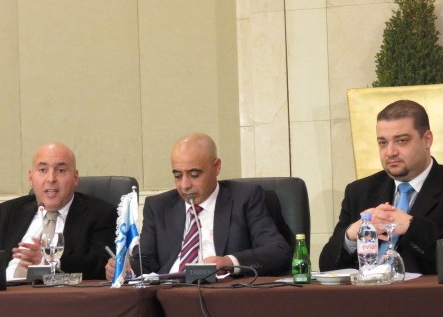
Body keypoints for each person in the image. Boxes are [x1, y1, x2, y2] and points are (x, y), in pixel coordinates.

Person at [105, 132, 292, 280]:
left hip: (222, 294)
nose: (185, 185)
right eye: (178, 176)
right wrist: (127, 268)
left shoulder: (244, 198)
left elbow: (278, 251)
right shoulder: (159, 206)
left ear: (216, 167)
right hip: (167, 295)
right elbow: (145, 261)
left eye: (194, 175)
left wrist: (229, 262)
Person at [319, 99, 443, 274]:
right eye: (383, 143)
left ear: (427, 140)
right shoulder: (359, 191)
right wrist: (351, 235)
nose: (390, 152)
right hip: (368, 290)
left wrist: (411, 226)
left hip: (423, 291)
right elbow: (327, 267)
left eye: (401, 141)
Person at [0, 142, 117, 280]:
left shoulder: (101, 214)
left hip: (62, 293)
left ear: (75, 177)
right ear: (31, 178)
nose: (51, 179)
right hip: (4, 291)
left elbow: (101, 264)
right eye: (42, 170)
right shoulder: (9, 211)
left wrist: (48, 261)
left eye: (60, 170)